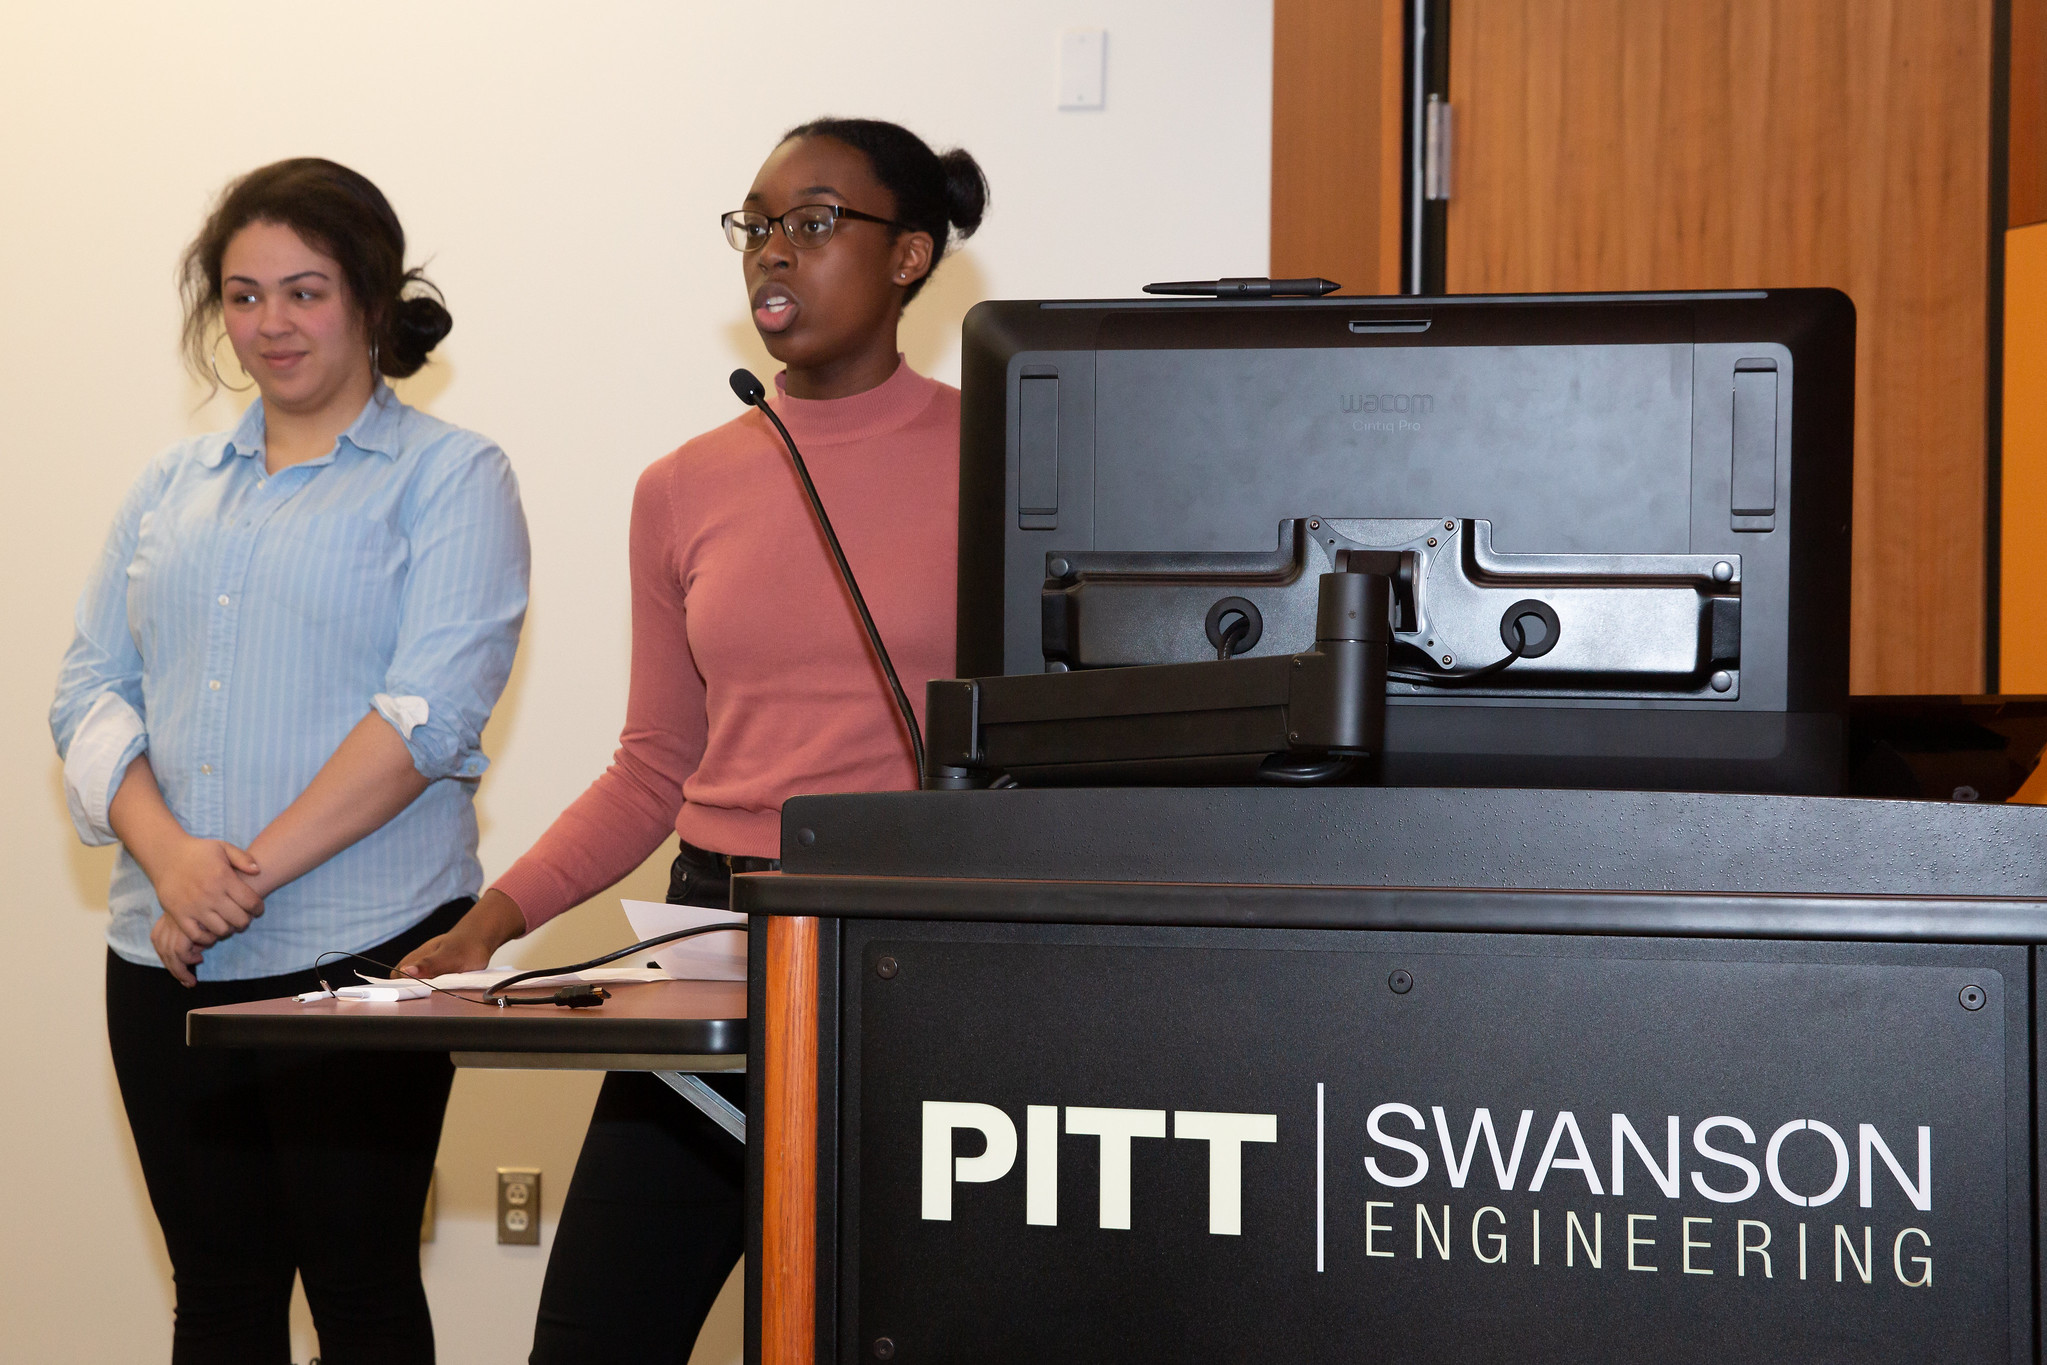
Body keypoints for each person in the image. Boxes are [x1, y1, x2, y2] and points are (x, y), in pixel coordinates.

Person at [398, 116, 988, 1360]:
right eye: (758, 224)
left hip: (923, 946)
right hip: (713, 935)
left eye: (816, 222)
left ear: (909, 257)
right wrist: (490, 925)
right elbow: (654, 765)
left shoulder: (1001, 457)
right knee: (596, 1336)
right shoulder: (682, 486)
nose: (775, 250)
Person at [51, 158, 530, 1364]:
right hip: (160, 952)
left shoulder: (452, 477)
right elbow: (87, 687)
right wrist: (171, 862)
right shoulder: (171, 485)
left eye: (305, 292)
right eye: (245, 294)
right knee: (215, 1291)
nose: (271, 325)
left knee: (361, 1290)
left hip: (362, 951)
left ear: (370, 298)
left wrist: (238, 878)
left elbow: (428, 715)